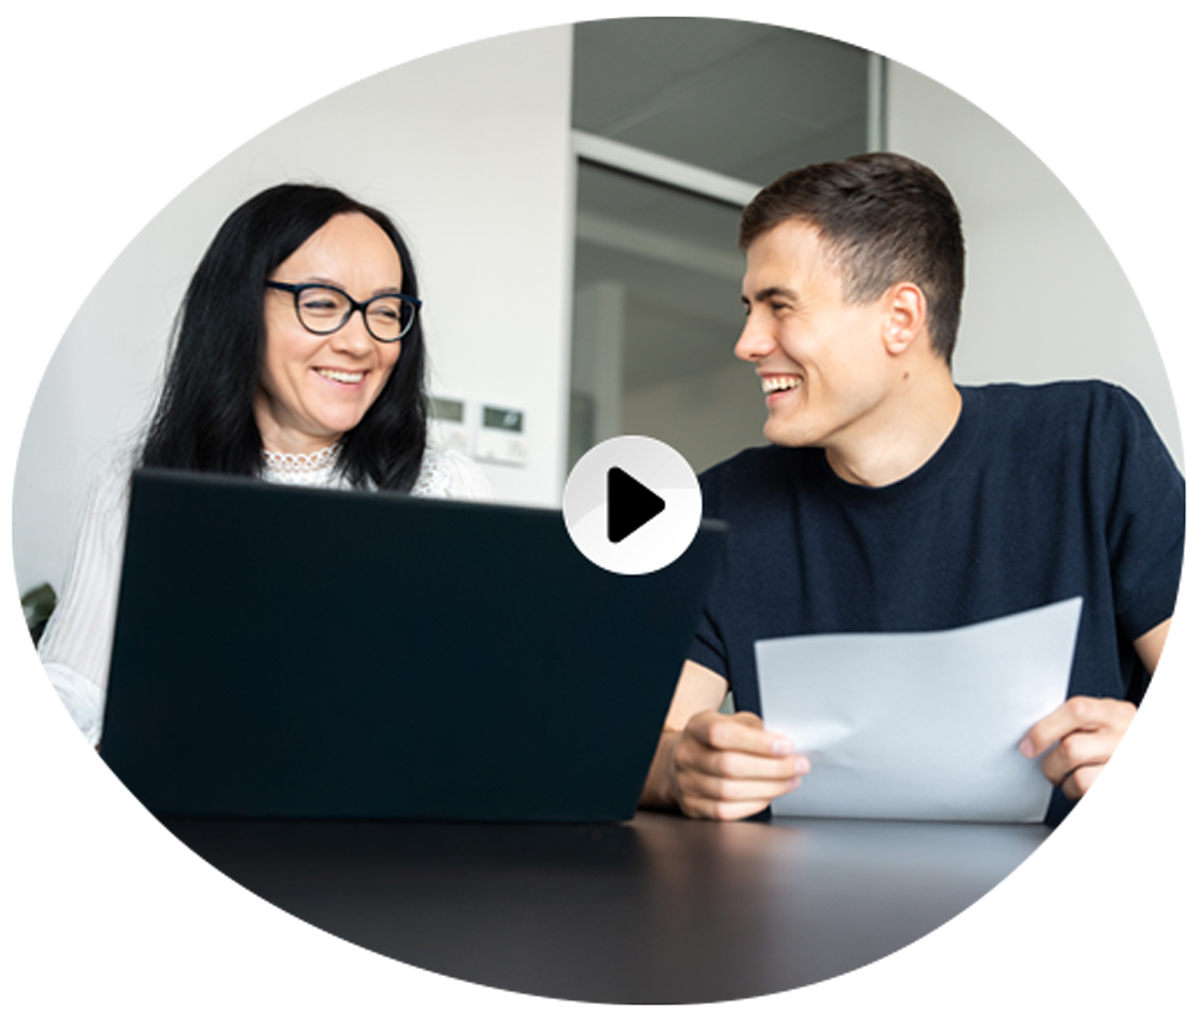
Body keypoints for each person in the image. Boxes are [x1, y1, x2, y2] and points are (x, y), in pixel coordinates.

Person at [639, 153, 1183, 826]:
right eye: (750, 308)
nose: (748, 342)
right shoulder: (724, 506)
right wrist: (679, 770)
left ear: (901, 318)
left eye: (780, 306)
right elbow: (636, 748)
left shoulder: (1092, 445)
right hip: (797, 912)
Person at [38, 183, 491, 746]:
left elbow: (489, 693)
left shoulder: (443, 487)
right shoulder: (135, 485)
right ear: (240, 306)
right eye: (322, 303)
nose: (360, 342)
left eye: (385, 311)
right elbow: (74, 688)